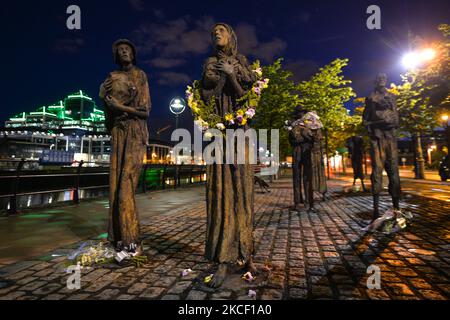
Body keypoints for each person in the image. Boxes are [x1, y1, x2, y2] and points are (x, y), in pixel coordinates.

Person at [201, 23, 257, 288]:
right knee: (222, 193)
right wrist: (223, 75)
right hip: (218, 135)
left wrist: (232, 74)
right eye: (214, 32)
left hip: (241, 133)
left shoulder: (242, 62)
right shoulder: (210, 63)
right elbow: (207, 96)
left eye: (221, 31)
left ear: (231, 36)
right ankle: (223, 258)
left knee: (243, 192)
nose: (216, 34)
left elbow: (245, 96)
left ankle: (246, 253)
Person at [99, 39, 151, 255]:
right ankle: (118, 238)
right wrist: (104, 96)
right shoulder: (112, 77)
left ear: (133, 53)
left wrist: (120, 107)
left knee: (126, 186)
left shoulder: (140, 75)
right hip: (119, 133)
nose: (124, 52)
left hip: (135, 132)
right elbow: (108, 110)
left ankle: (131, 241)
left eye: (127, 49)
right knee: (115, 186)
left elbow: (145, 111)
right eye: (120, 50)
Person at [363, 73, 401, 220]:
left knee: (394, 172)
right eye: (379, 78)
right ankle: (376, 210)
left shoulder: (391, 97)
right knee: (377, 172)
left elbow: (396, 121)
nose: (381, 80)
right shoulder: (370, 99)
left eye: (383, 78)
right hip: (377, 139)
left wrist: (386, 121)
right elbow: (365, 121)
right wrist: (377, 124)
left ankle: (397, 208)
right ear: (375, 81)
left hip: (390, 139)